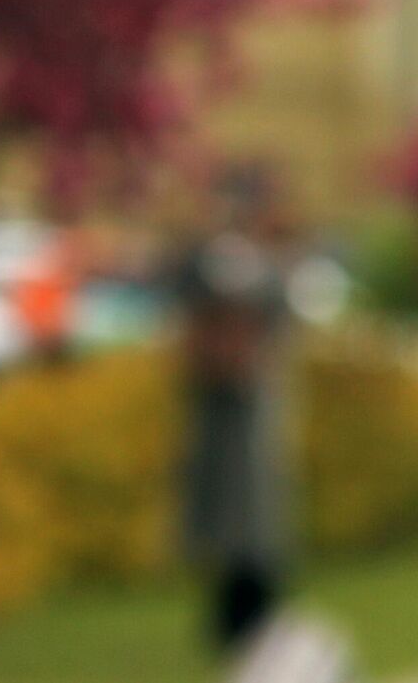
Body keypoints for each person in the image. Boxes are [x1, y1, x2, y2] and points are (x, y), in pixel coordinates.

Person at [173, 163, 295, 656]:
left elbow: (276, 321)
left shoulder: (263, 264)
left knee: (257, 508)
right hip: (217, 399)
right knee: (222, 509)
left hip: (251, 398)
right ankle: (232, 616)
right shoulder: (210, 259)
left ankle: (255, 613)